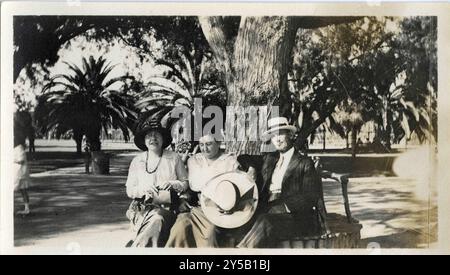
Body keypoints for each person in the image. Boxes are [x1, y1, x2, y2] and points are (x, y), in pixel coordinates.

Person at [237, 117, 326, 248]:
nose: (277, 139)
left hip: (296, 217)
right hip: (267, 209)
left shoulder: (304, 163)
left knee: (265, 221)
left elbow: (310, 196)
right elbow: (243, 157)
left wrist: (283, 207)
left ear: (290, 134)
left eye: (280, 134)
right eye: (273, 136)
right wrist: (252, 168)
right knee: (241, 221)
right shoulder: (270, 159)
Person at [165, 133, 241, 248]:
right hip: (196, 208)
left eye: (209, 144)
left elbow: (237, 189)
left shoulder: (230, 161)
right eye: (201, 144)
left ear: (219, 143)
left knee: (211, 232)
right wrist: (183, 199)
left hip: (219, 210)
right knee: (180, 226)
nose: (204, 148)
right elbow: (190, 187)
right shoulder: (194, 161)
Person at [125, 119, 188, 247]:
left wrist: (173, 184)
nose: (153, 139)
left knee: (158, 219)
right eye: (149, 136)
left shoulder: (174, 158)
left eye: (157, 135)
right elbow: (130, 190)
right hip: (142, 208)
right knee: (155, 220)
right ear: (144, 140)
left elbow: (185, 183)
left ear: (163, 138)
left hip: (169, 207)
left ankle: (138, 246)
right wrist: (144, 189)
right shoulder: (137, 161)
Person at [14, 136, 31, 215]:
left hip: (20, 173)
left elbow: (21, 160)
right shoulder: (17, 148)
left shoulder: (19, 148)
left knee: (22, 190)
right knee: (22, 190)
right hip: (18, 172)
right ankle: (26, 208)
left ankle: (27, 208)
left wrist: (12, 160)